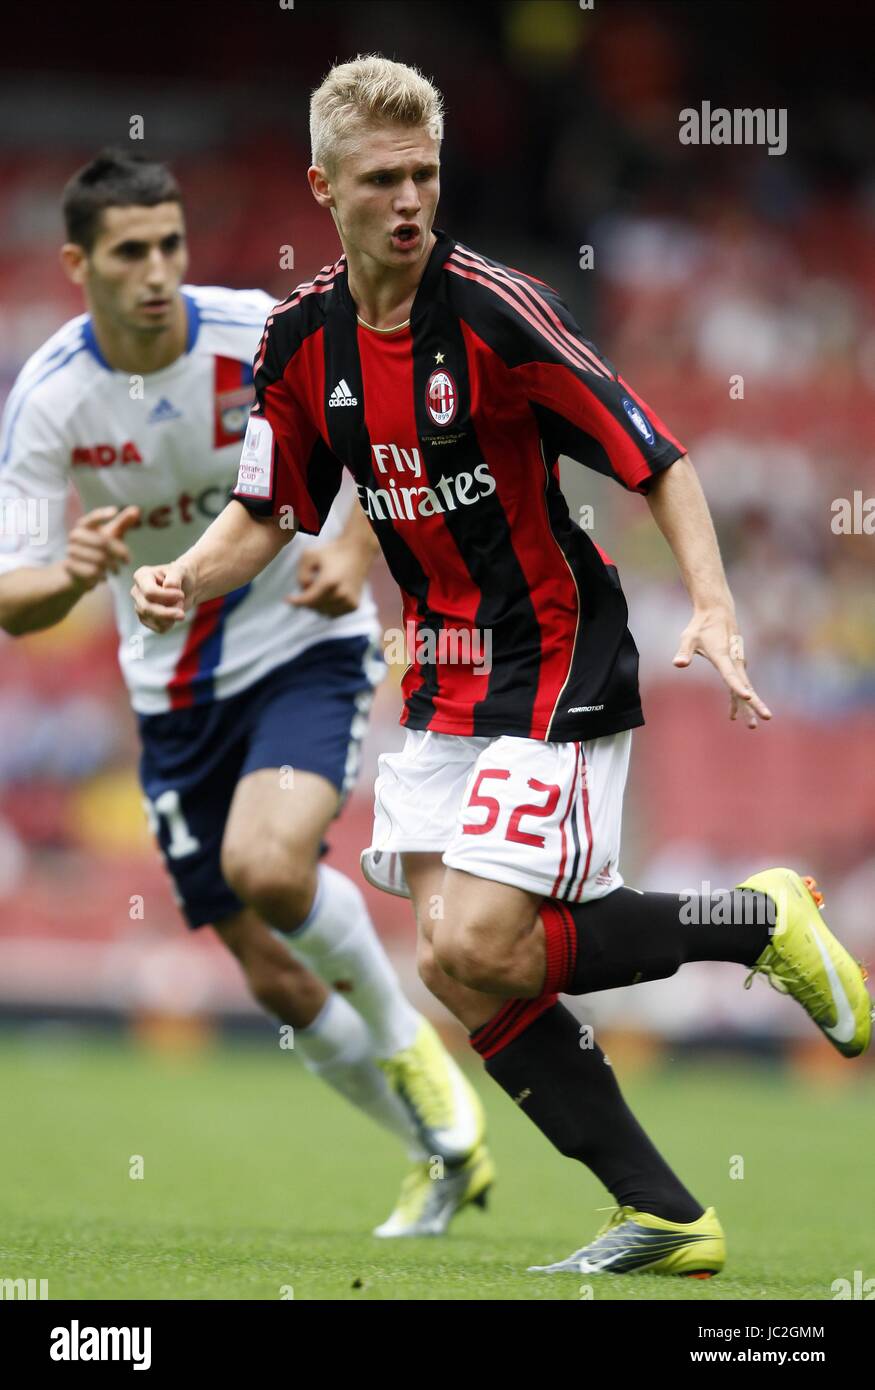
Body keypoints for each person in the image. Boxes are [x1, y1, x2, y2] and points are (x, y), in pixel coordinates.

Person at [131, 57, 873, 1277]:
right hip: (442, 672)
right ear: (324, 187)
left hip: (556, 652)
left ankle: (757, 924)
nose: (409, 199)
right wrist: (186, 578)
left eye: (424, 173)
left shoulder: (494, 311)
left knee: (481, 933)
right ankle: (670, 1212)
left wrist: (716, 607)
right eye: (381, 180)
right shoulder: (299, 341)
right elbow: (269, 506)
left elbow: (654, 455)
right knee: (456, 962)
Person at [0, 147, 494, 1239]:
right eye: (130, 252)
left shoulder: (258, 336)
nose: (157, 270)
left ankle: (410, 1044)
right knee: (267, 970)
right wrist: (72, 574)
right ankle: (437, 1151)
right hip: (171, 685)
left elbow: (392, 430)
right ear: (78, 263)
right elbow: (13, 598)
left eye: (170, 244)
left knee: (268, 866)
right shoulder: (49, 400)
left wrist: (357, 543)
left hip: (302, 638)